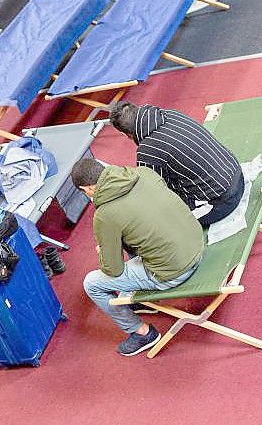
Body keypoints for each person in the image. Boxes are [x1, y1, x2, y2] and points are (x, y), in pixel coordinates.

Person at [72, 158, 204, 356]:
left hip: (175, 270)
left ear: (87, 189)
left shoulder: (105, 215)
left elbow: (113, 269)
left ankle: (142, 333)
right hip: (195, 244)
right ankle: (140, 300)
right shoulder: (143, 173)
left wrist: (104, 250)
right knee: (131, 236)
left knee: (92, 284)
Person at [109, 101, 244, 227]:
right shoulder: (171, 113)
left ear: (124, 134)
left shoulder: (148, 151)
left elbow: (155, 193)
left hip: (222, 201)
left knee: (161, 220)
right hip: (235, 172)